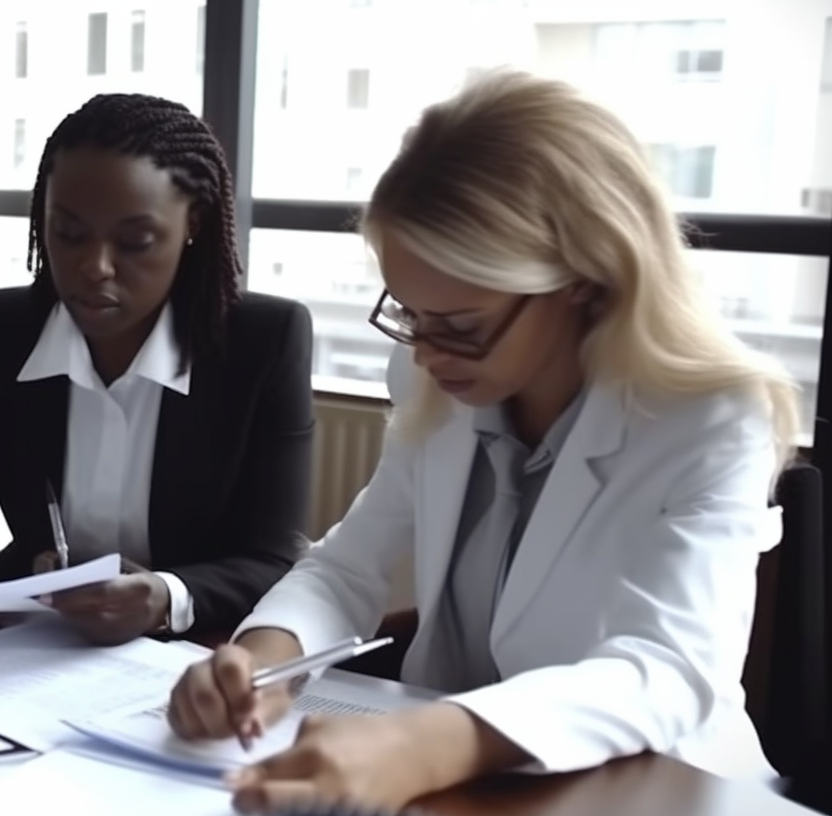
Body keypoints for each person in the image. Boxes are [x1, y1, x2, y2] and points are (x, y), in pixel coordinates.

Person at [167, 70, 802, 814]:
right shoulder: (434, 375)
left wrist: (429, 742)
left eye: (461, 327)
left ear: (584, 281)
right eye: (410, 314)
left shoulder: (712, 415)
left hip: (654, 786)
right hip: (468, 783)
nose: (427, 354)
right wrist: (262, 660)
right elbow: (348, 565)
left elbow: (668, 670)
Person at [0, 93, 315, 648]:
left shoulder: (262, 342)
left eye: (136, 241)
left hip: (194, 657)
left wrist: (165, 596)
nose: (95, 267)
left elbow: (273, 558)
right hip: (25, 646)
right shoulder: (0, 331)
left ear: (194, 225)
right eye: (67, 233)